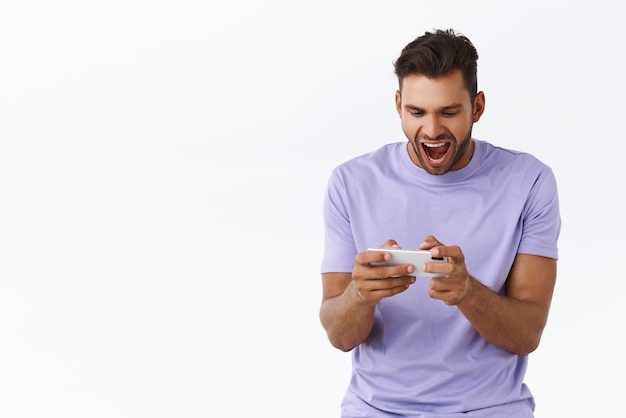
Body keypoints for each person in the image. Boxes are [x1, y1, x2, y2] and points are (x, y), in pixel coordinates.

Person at [319, 28, 561, 418]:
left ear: (477, 107)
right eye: (417, 112)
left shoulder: (528, 182)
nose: (432, 131)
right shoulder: (351, 183)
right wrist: (361, 295)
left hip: (490, 409)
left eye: (448, 112)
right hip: (377, 409)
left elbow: (526, 335)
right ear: (398, 106)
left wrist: (468, 292)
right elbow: (339, 334)